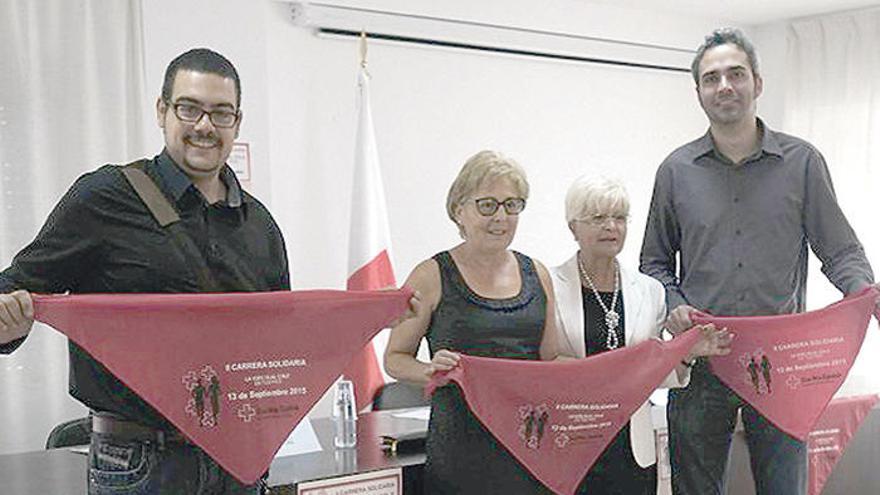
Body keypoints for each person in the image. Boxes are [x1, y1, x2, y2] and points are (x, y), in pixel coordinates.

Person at [0, 48, 289, 494]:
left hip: (239, 460)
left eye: (221, 113)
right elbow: (16, 288)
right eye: (189, 108)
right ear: (162, 111)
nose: (205, 126)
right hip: (138, 463)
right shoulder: (104, 198)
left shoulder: (260, 225)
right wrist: (7, 322)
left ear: (237, 121)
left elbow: (280, 339)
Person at [639, 28, 875, 495]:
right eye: (711, 78)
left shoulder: (802, 162)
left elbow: (840, 250)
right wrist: (675, 305)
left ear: (757, 84)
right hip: (703, 363)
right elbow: (655, 263)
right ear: (699, 93)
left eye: (735, 74)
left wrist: (865, 295)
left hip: (781, 368)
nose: (724, 86)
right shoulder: (675, 171)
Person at [384, 150, 560, 494]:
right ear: (458, 211)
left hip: (529, 446)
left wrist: (619, 367)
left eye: (512, 205)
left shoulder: (538, 273)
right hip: (461, 452)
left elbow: (551, 360)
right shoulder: (431, 275)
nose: (501, 217)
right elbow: (394, 358)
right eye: (488, 205)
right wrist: (430, 370)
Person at [551, 176, 730, 495]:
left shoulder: (649, 291)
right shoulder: (549, 285)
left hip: (632, 447)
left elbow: (652, 374)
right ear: (572, 227)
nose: (611, 227)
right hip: (570, 444)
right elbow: (545, 365)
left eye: (619, 218)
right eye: (598, 218)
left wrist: (687, 352)